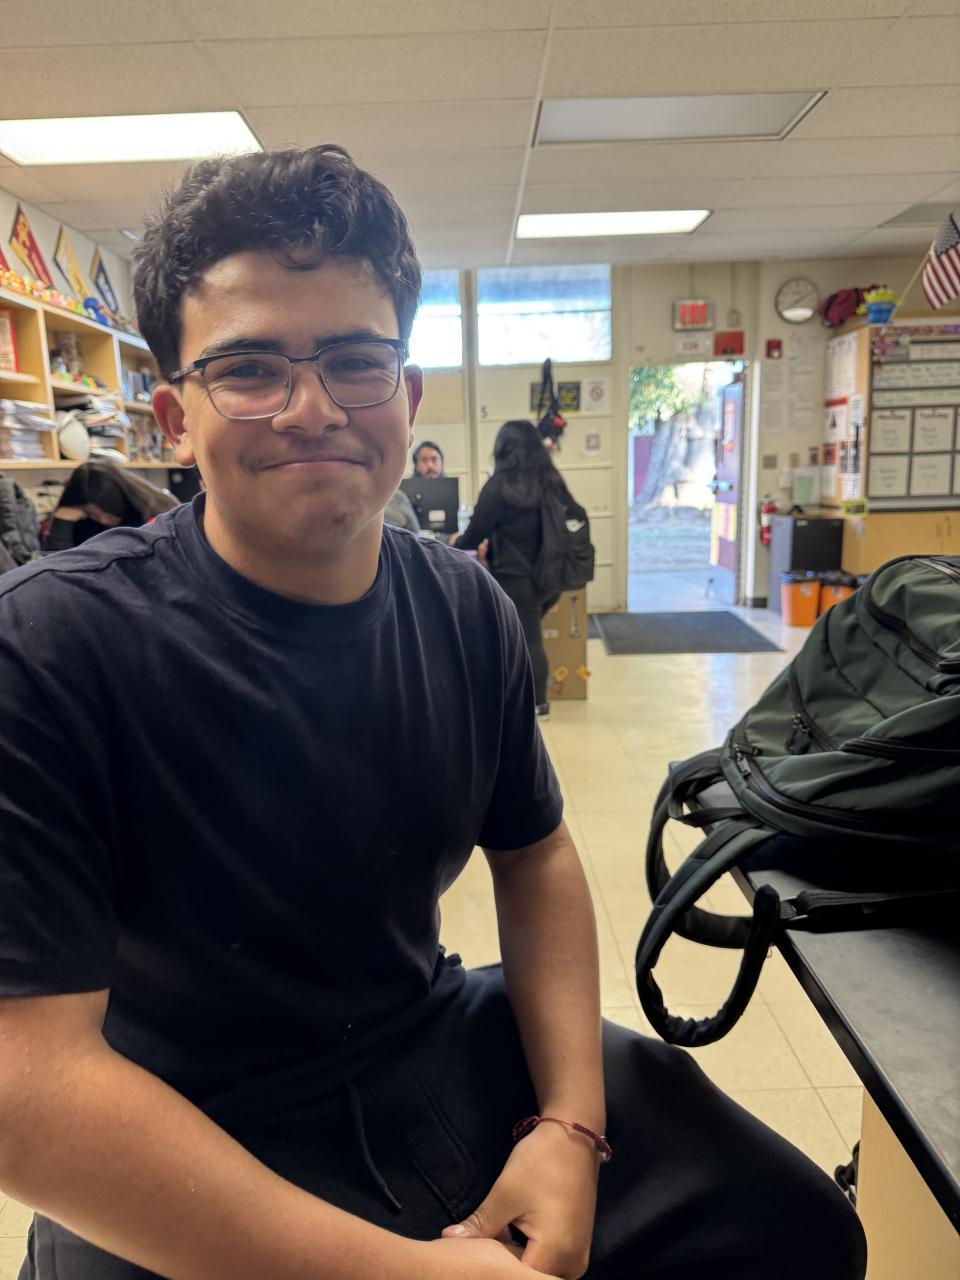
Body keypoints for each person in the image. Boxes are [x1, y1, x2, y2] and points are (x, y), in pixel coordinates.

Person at [0, 146, 865, 1280]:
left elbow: (537, 853)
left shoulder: (465, 609)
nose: (312, 409)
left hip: (427, 1038)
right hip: (178, 1121)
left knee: (795, 1228)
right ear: (174, 415)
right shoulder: (50, 645)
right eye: (249, 368)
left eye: (355, 361)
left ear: (405, 399)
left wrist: (568, 1125)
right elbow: (29, 1082)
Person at [455, 421, 582, 719]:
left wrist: (452, 544)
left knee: (527, 639)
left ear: (502, 448)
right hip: (550, 575)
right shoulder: (550, 479)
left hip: (515, 576)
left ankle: (538, 704)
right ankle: (521, 697)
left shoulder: (500, 485)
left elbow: (474, 534)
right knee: (526, 635)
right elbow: (575, 515)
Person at [43, 459, 177, 550]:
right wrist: (63, 520)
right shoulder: (85, 523)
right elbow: (56, 568)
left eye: (108, 512)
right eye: (92, 514)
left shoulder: (159, 516)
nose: (103, 520)